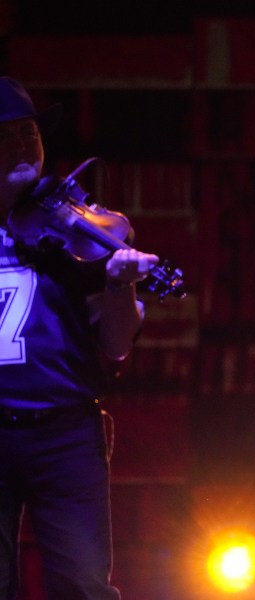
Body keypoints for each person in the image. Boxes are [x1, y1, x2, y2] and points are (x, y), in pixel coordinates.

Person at [0, 77, 159, 598]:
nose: (25, 148)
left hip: (63, 434)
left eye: (32, 136)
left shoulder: (80, 231)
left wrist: (120, 284)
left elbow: (115, 345)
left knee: (84, 586)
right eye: (8, 136)